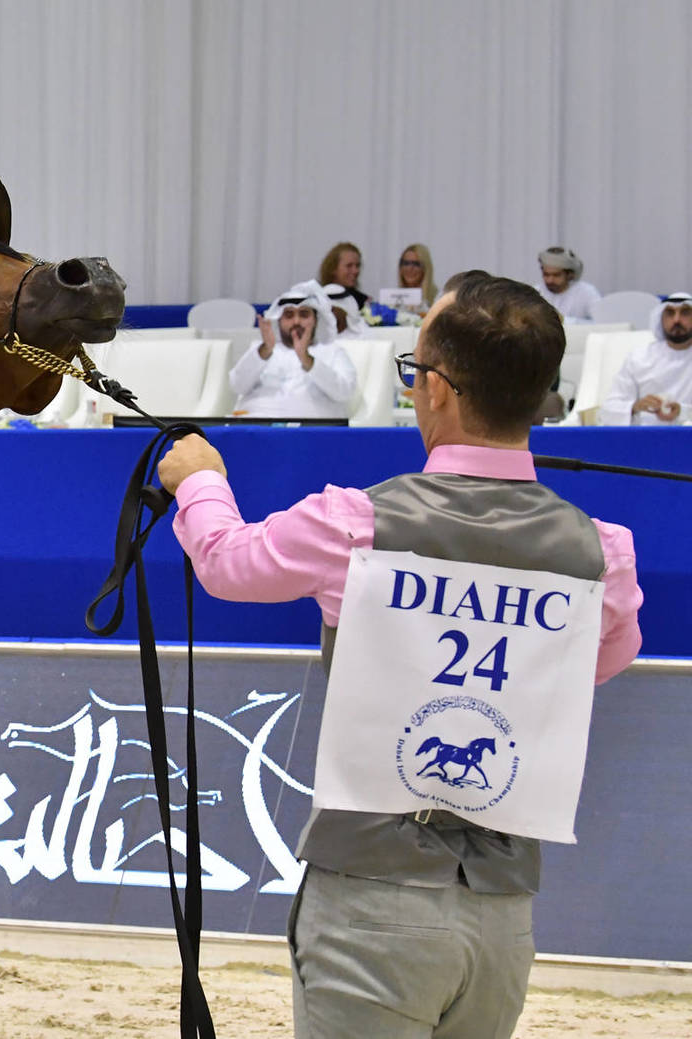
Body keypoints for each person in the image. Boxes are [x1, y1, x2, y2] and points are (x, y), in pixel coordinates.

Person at [158, 272, 643, 1039]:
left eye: (415, 373)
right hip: (502, 913)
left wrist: (202, 482)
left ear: (441, 391)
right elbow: (599, 662)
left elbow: (225, 562)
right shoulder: (602, 553)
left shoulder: (355, 522)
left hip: (369, 903)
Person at [229, 280, 358, 418]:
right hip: (255, 425)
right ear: (279, 320)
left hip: (309, 431)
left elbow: (345, 392)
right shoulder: (261, 351)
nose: (296, 321)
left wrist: (307, 360)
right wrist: (265, 350)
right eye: (289, 315)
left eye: (304, 314)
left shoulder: (332, 351)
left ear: (316, 320)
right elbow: (237, 385)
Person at [598, 291, 692, 425]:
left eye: (685, 313)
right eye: (670, 313)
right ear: (661, 318)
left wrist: (683, 412)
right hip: (645, 437)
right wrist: (634, 407)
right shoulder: (639, 358)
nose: (676, 320)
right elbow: (608, 410)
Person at [536, 246, 600, 321]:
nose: (550, 280)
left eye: (556, 275)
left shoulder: (586, 292)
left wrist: (568, 321)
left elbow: (601, 321)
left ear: (569, 275)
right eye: (546, 275)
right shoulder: (536, 292)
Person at [317, 242, 367, 310]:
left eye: (357, 266)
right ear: (333, 268)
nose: (356, 271)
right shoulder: (318, 299)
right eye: (349, 266)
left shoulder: (364, 302)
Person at [396, 243, 438, 310]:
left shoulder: (437, 299)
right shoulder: (393, 300)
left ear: (425, 269)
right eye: (406, 263)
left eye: (416, 264)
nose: (410, 268)